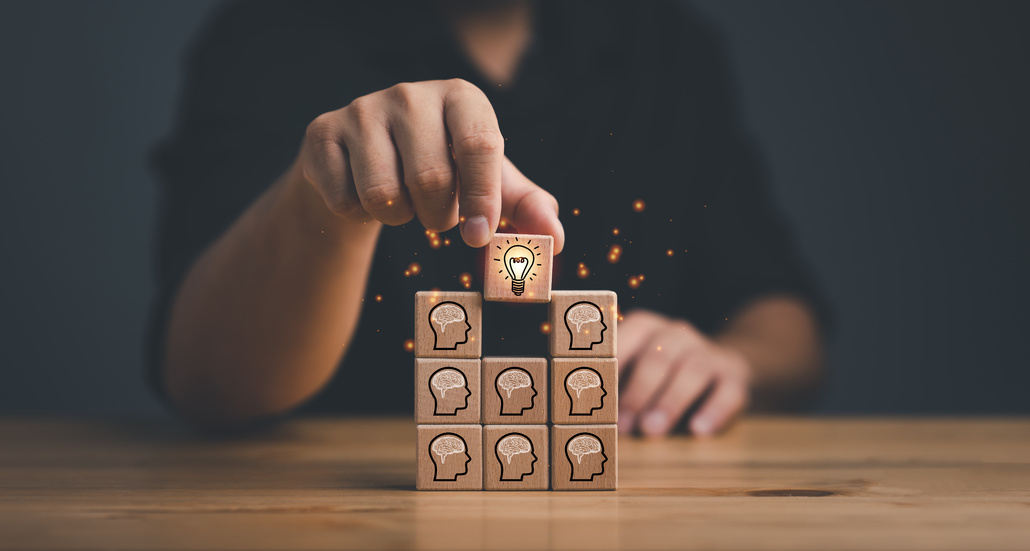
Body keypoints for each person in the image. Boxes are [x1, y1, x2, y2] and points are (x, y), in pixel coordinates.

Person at [149, 0, 828, 436]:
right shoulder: (269, 33)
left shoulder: (672, 47)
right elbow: (208, 381)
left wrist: (727, 360)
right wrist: (330, 197)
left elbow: (785, 320)